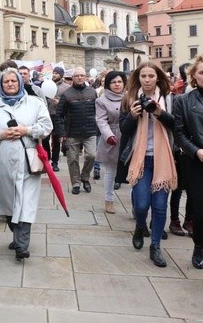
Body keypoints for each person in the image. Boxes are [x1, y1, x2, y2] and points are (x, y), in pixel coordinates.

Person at [0, 68, 52, 260]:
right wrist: (1, 134)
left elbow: (47, 126)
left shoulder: (35, 103)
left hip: (28, 160)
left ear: (20, 82)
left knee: (26, 203)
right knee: (6, 202)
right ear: (1, 85)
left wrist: (27, 130)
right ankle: (16, 233)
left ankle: (22, 245)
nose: (11, 84)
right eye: (6, 82)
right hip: (3, 160)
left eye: (14, 81)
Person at [118, 62, 177, 267]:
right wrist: (133, 116)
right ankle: (140, 225)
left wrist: (160, 112)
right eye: (143, 76)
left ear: (158, 77)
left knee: (160, 207)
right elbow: (124, 131)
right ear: (138, 78)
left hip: (163, 159)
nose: (147, 80)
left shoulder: (169, 99)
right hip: (141, 159)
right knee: (142, 205)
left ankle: (155, 246)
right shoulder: (130, 98)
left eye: (151, 76)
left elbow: (176, 125)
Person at [173, 55, 203, 268]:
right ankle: (199, 246)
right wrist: (196, 151)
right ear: (194, 75)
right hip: (196, 161)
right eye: (201, 72)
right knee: (199, 209)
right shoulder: (183, 101)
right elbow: (179, 133)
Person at [56, 67, 97, 194]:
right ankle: (75, 183)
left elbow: (98, 111)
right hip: (72, 132)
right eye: (77, 75)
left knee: (91, 155)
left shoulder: (92, 92)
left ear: (85, 77)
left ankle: (85, 177)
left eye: (82, 75)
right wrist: (62, 133)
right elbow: (59, 115)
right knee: (72, 159)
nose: (79, 77)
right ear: (72, 78)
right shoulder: (67, 94)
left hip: (90, 131)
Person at [95, 71, 126, 214]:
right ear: (108, 84)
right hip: (112, 137)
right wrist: (108, 135)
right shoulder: (101, 100)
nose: (117, 84)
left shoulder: (129, 97)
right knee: (110, 172)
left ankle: (137, 206)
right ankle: (109, 200)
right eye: (113, 82)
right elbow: (101, 120)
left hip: (128, 136)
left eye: (119, 81)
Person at [169, 62, 194, 236]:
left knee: (193, 188)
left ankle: (189, 219)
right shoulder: (179, 97)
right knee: (177, 188)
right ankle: (174, 220)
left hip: (197, 149)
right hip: (180, 148)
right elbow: (176, 127)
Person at [47, 67, 70, 171]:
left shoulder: (66, 87)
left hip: (58, 115)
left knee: (56, 140)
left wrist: (59, 102)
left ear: (61, 74)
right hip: (47, 115)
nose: (54, 74)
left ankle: (55, 162)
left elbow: (68, 102)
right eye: (53, 73)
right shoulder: (47, 84)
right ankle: (47, 158)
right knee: (45, 139)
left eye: (56, 73)